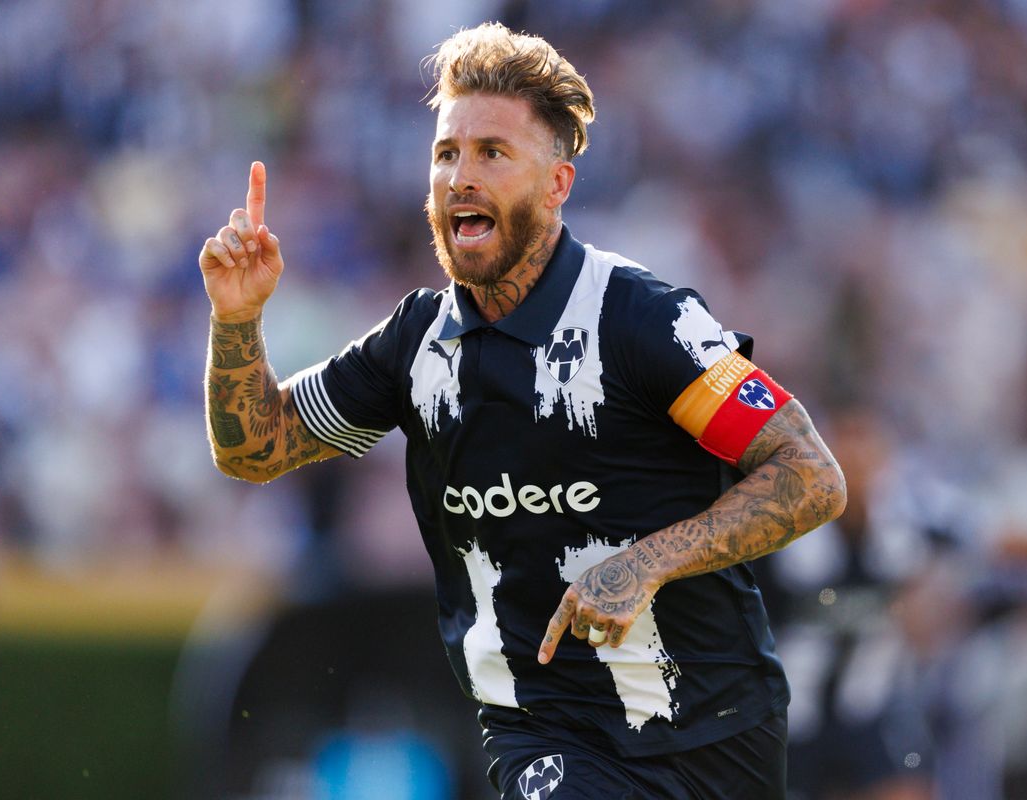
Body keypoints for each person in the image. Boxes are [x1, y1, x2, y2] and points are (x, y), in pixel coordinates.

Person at [199, 22, 845, 800]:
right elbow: (253, 449)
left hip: (715, 731)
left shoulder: (644, 321)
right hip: (545, 732)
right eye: (447, 153)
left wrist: (645, 563)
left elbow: (810, 475)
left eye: (492, 153)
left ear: (556, 184)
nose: (461, 177)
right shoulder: (414, 345)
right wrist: (236, 319)